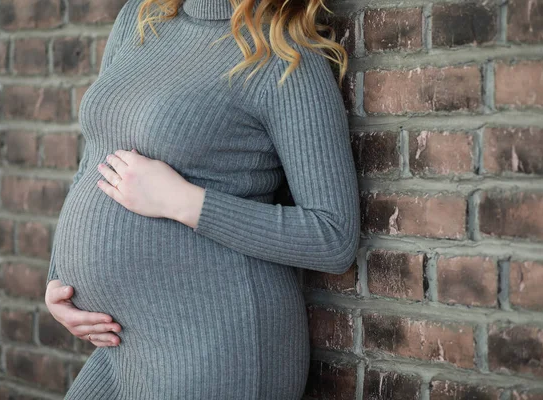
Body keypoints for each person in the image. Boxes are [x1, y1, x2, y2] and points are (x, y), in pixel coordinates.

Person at [44, 0, 360, 398]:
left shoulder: (282, 53)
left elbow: (333, 236)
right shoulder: (142, 18)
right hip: (121, 345)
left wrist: (183, 201)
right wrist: (60, 280)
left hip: (214, 345)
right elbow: (97, 157)